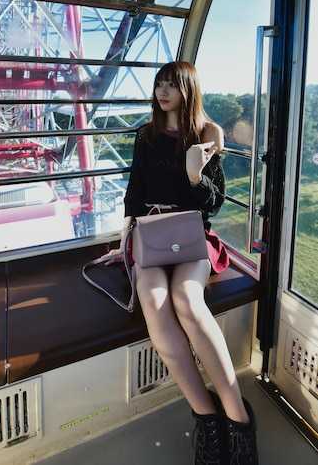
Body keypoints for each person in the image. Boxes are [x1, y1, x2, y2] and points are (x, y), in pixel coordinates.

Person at [107, 61, 259, 465]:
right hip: (150, 236)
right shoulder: (145, 136)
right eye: (159, 84)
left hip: (192, 236)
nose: (163, 91)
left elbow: (215, 202)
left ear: (188, 90)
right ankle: (207, 419)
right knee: (154, 302)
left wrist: (195, 174)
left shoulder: (206, 135)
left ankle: (238, 419)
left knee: (187, 301)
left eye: (172, 85)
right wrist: (124, 241)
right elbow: (135, 191)